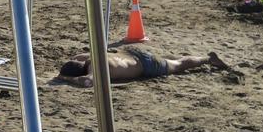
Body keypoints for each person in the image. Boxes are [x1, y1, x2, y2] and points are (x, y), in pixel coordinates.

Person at [57, 49, 230, 87]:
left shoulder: (96, 69)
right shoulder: (86, 57)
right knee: (174, 61)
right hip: (132, 52)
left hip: (145, 65)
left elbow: (87, 82)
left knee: (178, 65)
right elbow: (74, 58)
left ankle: (208, 59)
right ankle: (206, 58)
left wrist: (66, 79)